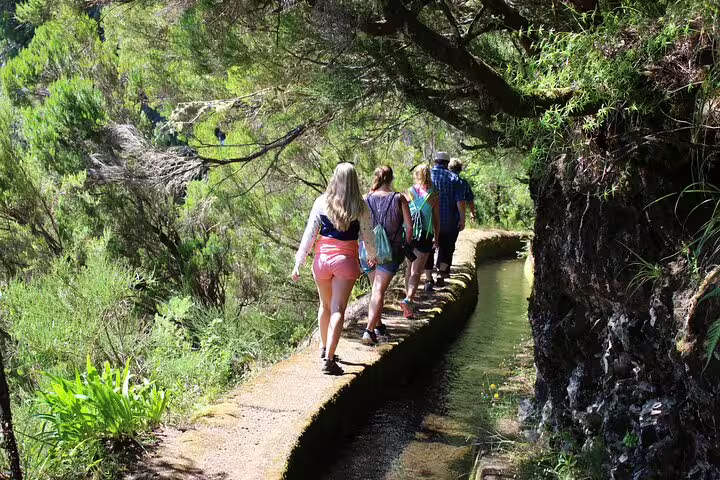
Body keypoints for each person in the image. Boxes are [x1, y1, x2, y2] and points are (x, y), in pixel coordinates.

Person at [292, 163, 376, 375]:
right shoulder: (361, 206)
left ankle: (323, 348)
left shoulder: (321, 202)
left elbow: (309, 235)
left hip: (321, 262)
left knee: (325, 306)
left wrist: (298, 263)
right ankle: (329, 359)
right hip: (345, 262)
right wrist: (373, 258)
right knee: (338, 309)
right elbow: (368, 237)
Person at [359, 166, 413, 345]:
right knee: (378, 290)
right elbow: (409, 227)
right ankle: (369, 330)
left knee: (376, 289)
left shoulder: (365, 198)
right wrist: (406, 242)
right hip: (390, 252)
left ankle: (379, 325)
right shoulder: (399, 198)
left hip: (366, 250)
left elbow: (359, 224)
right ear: (391, 179)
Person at [400, 164, 440, 318]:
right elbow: (436, 218)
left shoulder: (410, 191)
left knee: (409, 269)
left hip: (410, 233)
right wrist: (436, 237)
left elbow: (404, 212)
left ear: (417, 175)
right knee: (417, 271)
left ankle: (409, 300)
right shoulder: (434, 194)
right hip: (424, 234)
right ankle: (409, 300)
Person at [423, 151, 466, 290]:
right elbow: (460, 202)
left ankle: (428, 280)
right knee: (446, 249)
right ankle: (441, 275)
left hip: (428, 221)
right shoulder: (454, 178)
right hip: (449, 222)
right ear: (447, 163)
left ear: (435, 161)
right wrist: (462, 219)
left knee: (428, 248)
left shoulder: (426, 176)